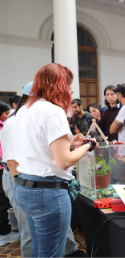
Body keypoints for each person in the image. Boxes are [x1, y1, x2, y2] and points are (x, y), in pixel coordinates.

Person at [12, 63, 98, 257]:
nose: (69, 91)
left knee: (38, 251)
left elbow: (38, 146)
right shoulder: (53, 110)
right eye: (68, 85)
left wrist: (69, 141)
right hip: (47, 192)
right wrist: (88, 146)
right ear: (59, 85)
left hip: (24, 186)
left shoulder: (26, 109)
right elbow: (64, 161)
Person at [2, 81, 84, 257]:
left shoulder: (28, 115)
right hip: (26, 179)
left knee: (46, 238)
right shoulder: (18, 119)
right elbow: (12, 162)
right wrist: (22, 186)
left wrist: (70, 141)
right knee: (33, 236)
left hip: (33, 181)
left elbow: (42, 145)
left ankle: (71, 252)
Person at [0, 100, 18, 246]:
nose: (7, 116)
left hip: (4, 165)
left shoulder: (4, 125)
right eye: (6, 113)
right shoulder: (2, 127)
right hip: (3, 167)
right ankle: (4, 233)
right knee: (2, 201)